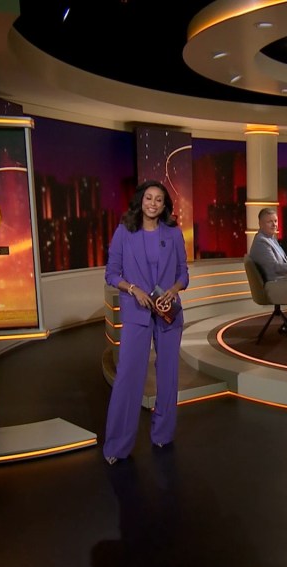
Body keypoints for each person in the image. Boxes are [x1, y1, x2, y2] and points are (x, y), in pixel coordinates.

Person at [103, 180, 189, 464]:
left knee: (168, 374)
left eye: (159, 200)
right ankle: (117, 446)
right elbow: (112, 273)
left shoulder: (173, 233)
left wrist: (173, 290)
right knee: (128, 376)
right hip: (136, 311)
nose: (153, 203)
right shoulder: (124, 232)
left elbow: (183, 273)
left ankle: (163, 434)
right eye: (149, 198)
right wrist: (133, 289)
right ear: (141, 200)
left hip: (167, 312)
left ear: (165, 205)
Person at [248, 207, 287, 281]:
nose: (274, 224)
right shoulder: (261, 242)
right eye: (269, 222)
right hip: (276, 284)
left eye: (275, 221)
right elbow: (276, 268)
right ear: (260, 224)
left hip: (285, 281)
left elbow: (283, 264)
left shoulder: (271, 239)